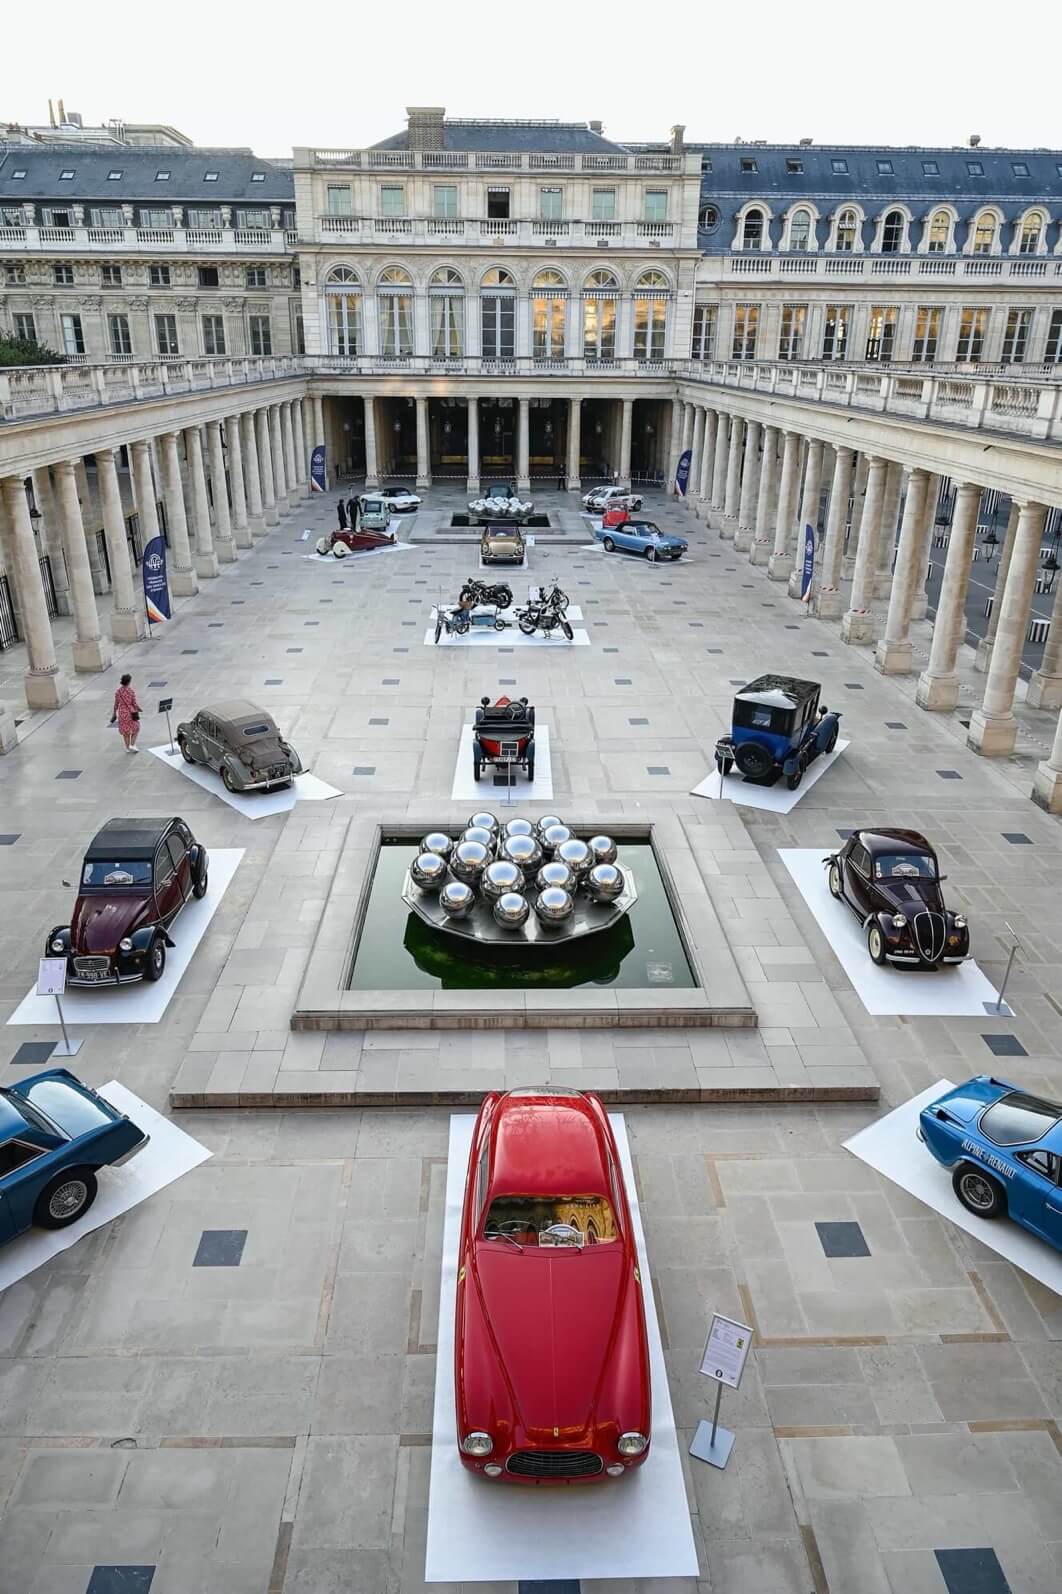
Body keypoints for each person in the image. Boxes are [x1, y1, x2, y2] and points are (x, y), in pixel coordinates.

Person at [111, 673, 141, 753]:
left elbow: (116, 704)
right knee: (136, 728)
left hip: (122, 713)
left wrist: (114, 713)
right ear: (129, 682)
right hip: (131, 713)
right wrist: (139, 708)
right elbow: (134, 703)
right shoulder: (131, 691)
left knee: (125, 731)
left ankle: (127, 748)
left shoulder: (118, 692)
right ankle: (132, 744)